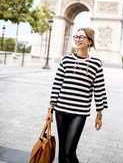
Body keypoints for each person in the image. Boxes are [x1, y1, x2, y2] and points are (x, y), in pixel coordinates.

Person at [46, 27, 108, 163]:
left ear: (90, 41)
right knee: (62, 153)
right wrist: (50, 109)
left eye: (81, 37)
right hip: (61, 111)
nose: (78, 40)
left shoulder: (96, 64)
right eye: (76, 37)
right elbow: (57, 84)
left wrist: (99, 115)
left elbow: (99, 90)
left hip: (79, 114)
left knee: (69, 152)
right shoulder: (66, 60)